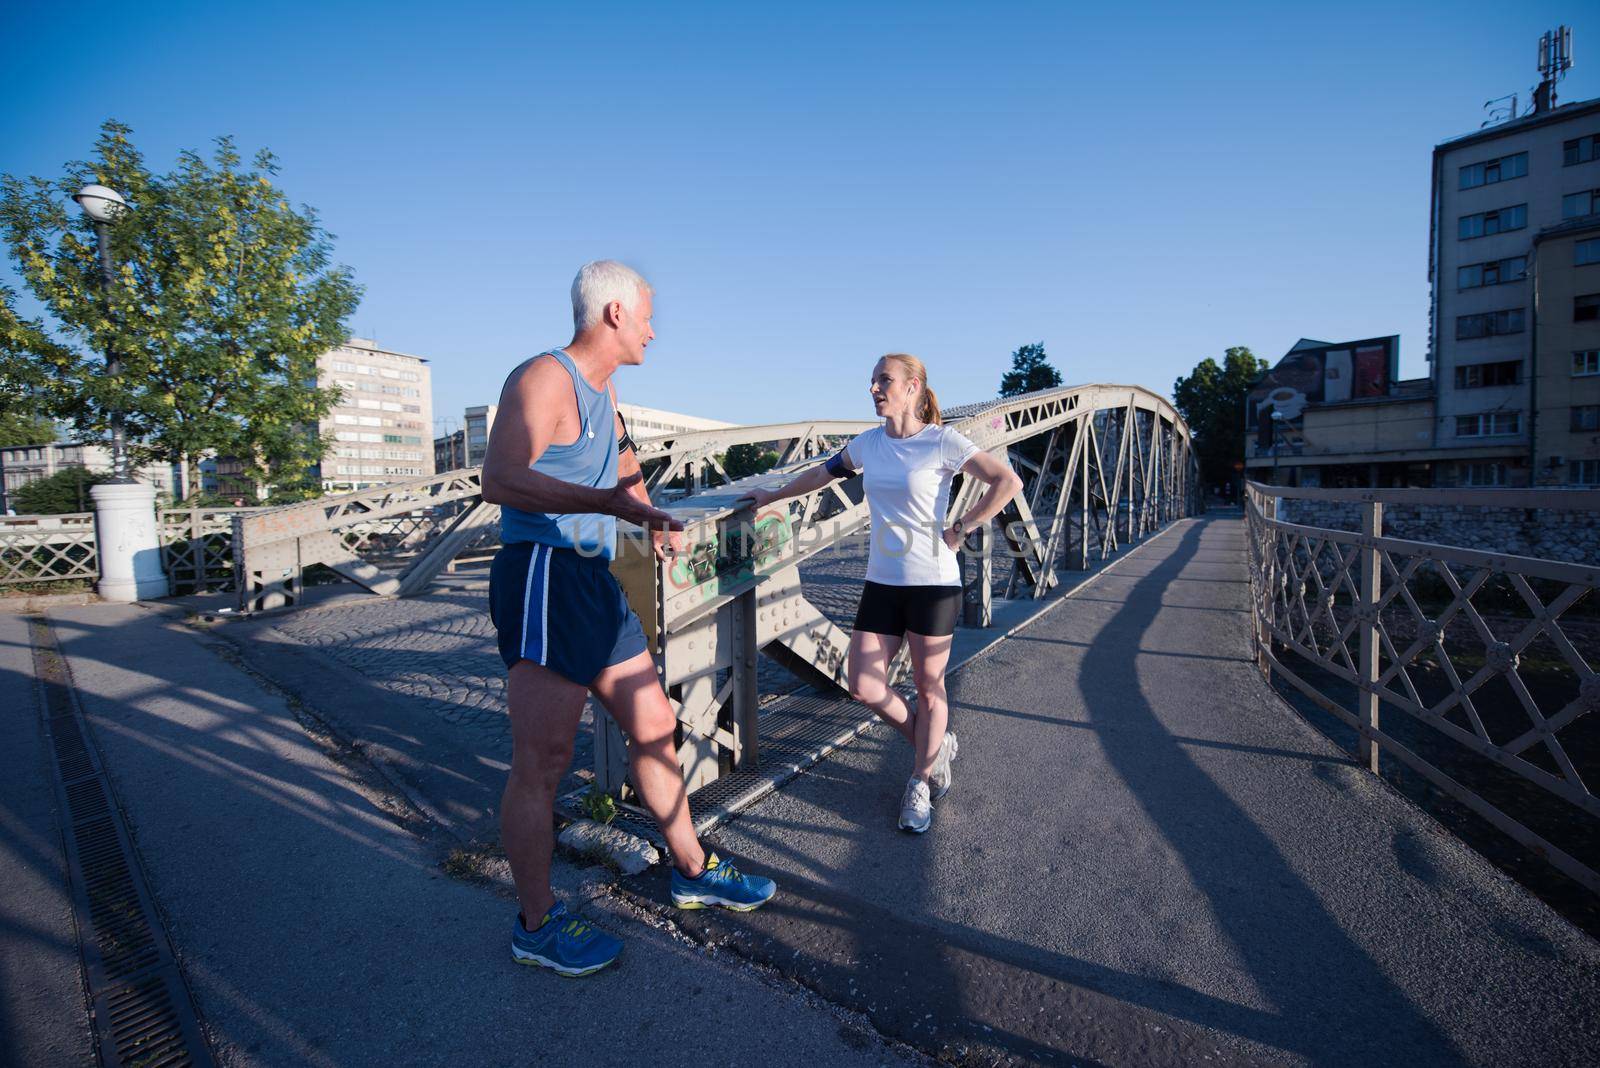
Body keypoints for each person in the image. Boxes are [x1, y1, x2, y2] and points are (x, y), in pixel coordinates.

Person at [480, 260, 776, 977]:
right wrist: (611, 508)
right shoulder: (543, 379)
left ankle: (691, 868)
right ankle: (536, 922)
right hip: (546, 574)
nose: (652, 328)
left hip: (593, 576)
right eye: (646, 314)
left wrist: (648, 516)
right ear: (613, 313)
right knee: (543, 763)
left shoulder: (604, 393)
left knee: (653, 727)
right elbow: (500, 477)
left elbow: (624, 472)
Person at [739, 353, 1022, 833]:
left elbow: (1006, 481)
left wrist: (963, 528)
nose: (874, 388)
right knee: (863, 684)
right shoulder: (868, 444)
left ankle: (919, 780)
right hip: (882, 582)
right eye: (872, 381)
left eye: (884, 380)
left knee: (930, 689)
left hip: (933, 583)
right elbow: (821, 475)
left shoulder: (942, 441)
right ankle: (934, 745)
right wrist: (775, 495)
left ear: (913, 387)